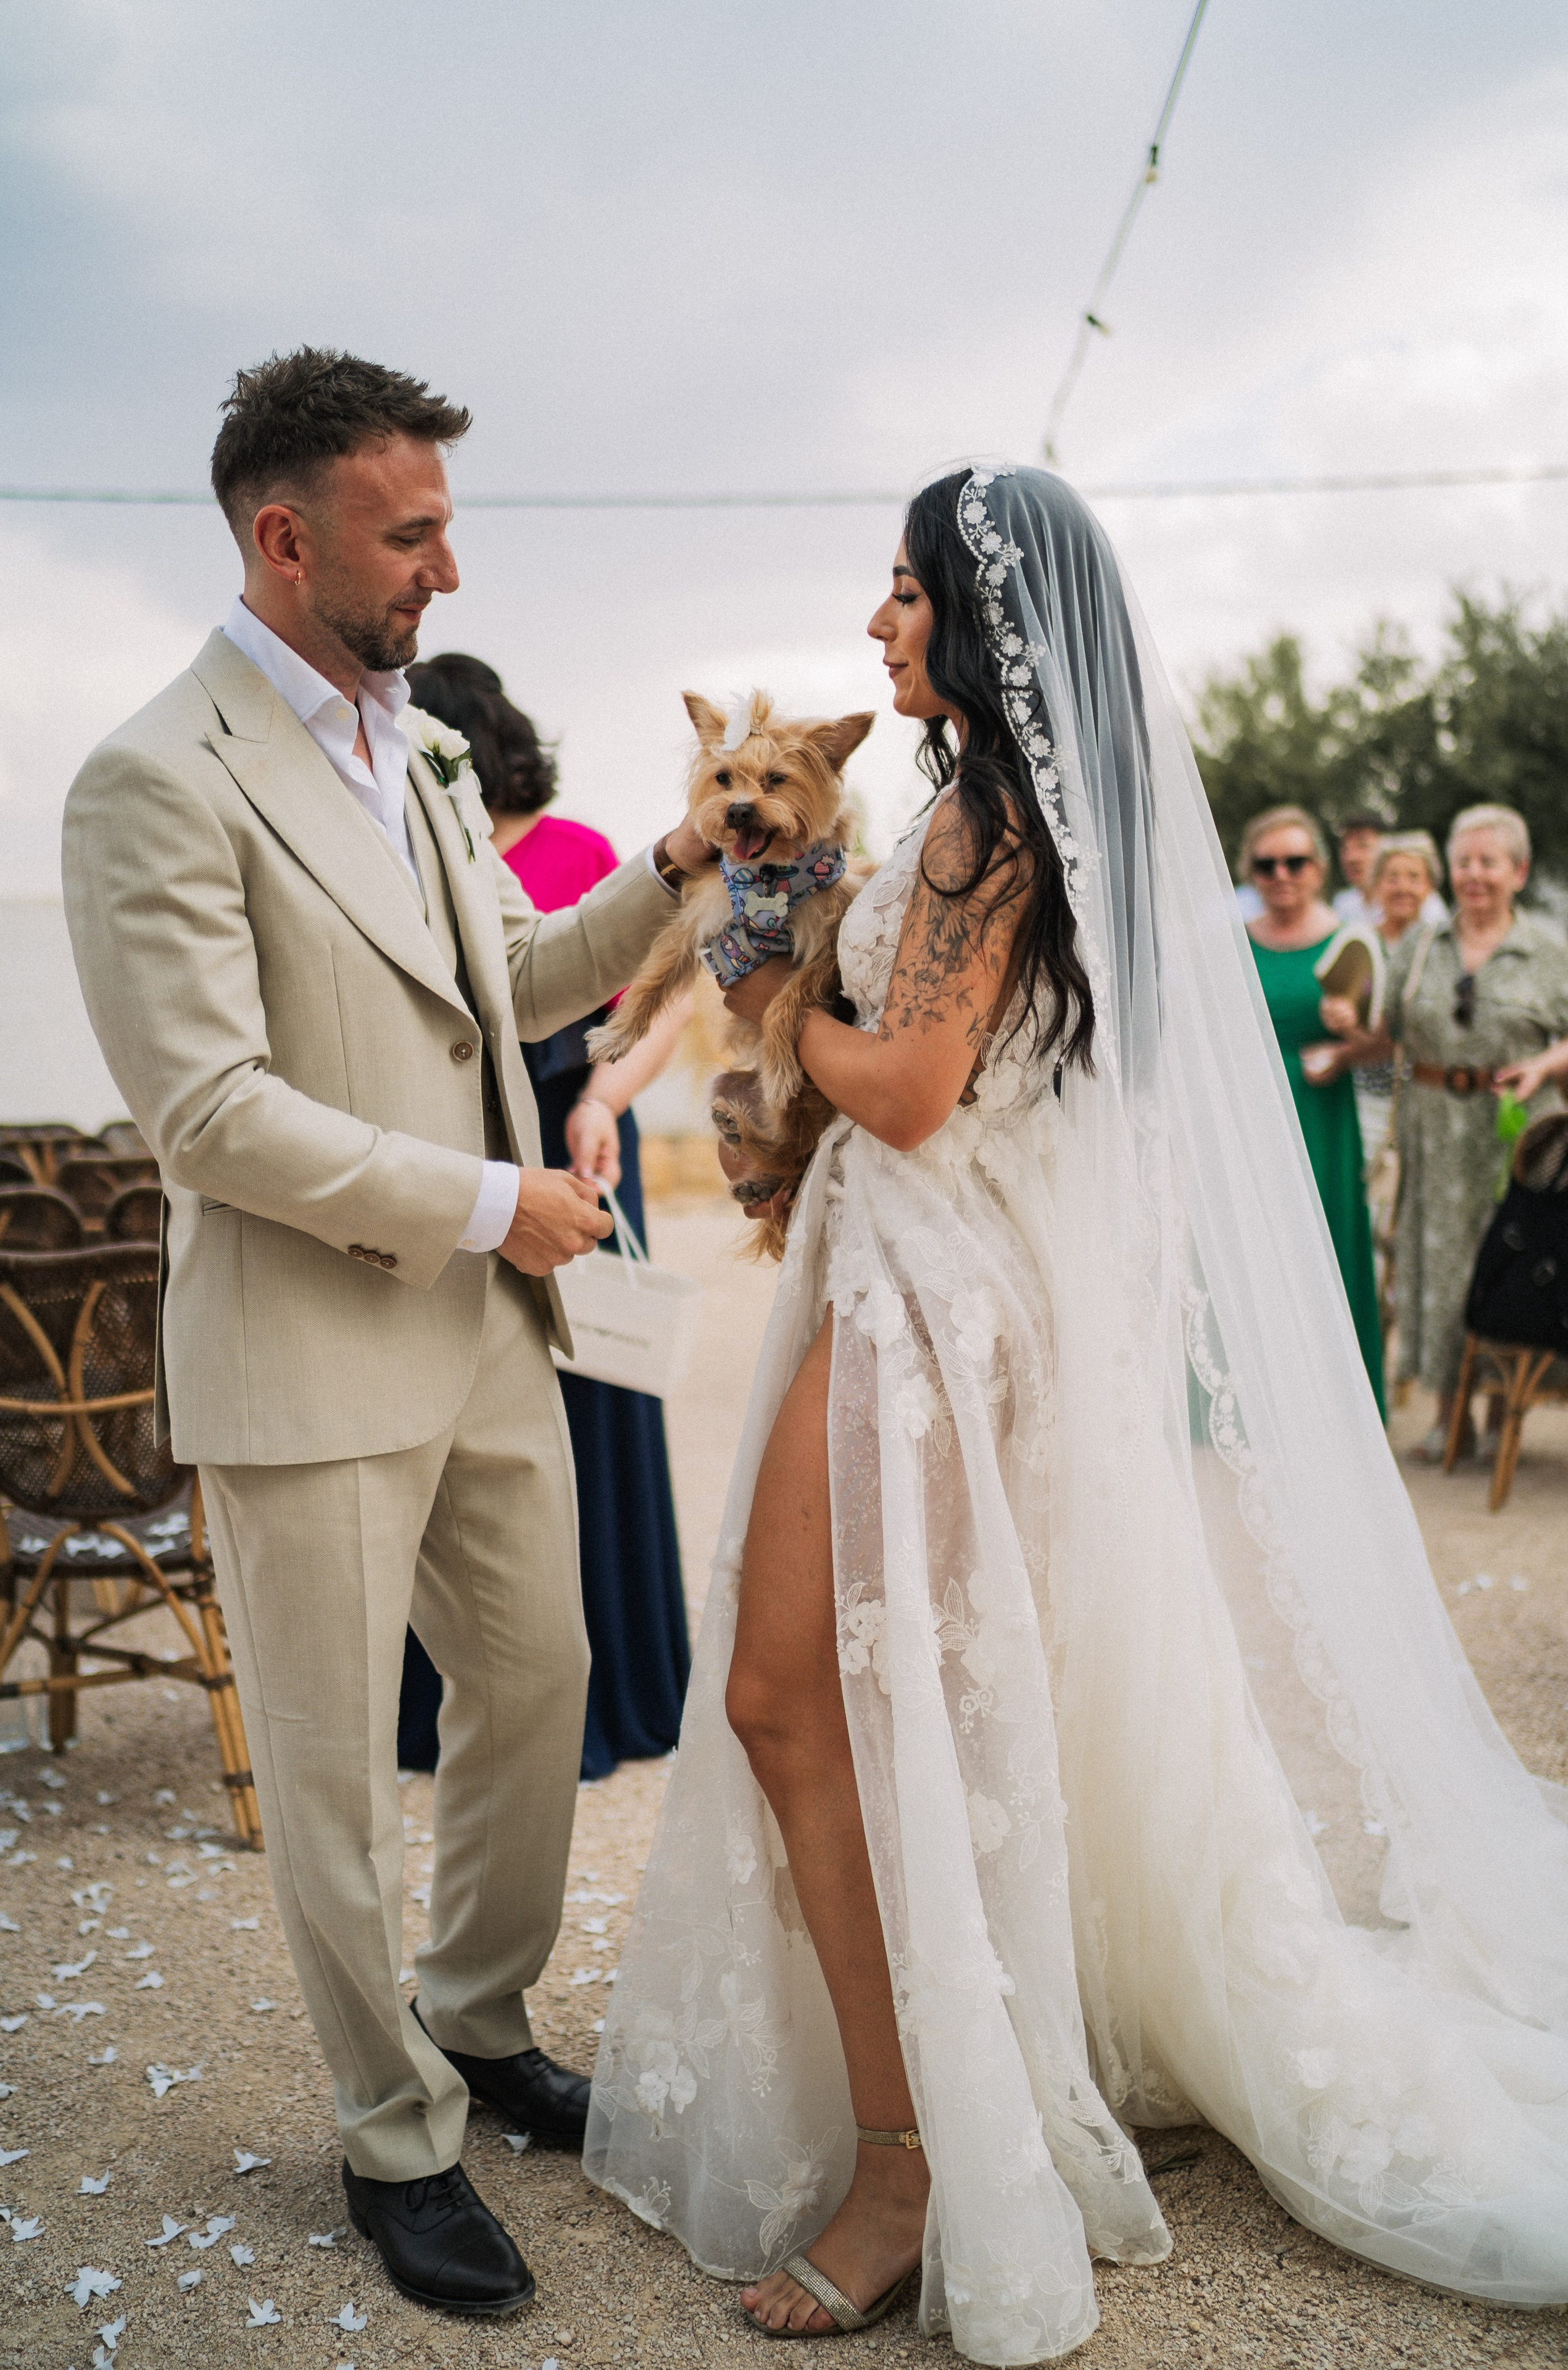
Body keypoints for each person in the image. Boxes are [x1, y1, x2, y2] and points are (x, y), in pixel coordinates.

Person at [584, 466, 1568, 2361]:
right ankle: (935, 2094)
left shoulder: (982, 821)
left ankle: (912, 2165)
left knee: (805, 1698)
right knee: (861, 1701)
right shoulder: (999, 806)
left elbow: (913, 1091)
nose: (876, 622)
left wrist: (777, 1002)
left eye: (902, 590)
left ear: (978, 616)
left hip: (926, 1301)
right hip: (915, 1278)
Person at [59, 348, 715, 2319]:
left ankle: (479, 2017)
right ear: (287, 537)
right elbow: (209, 1113)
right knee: (339, 1779)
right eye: (410, 532)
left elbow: (518, 978)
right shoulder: (153, 779)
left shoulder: (421, 753)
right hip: (309, 1355)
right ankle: (394, 2135)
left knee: (538, 1677)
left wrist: (677, 865)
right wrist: (488, 1202)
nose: (448, 566)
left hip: (482, 1342)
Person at [404, 651, 691, 1782]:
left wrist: (605, 1101)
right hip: (462, 1158)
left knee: (593, 1410)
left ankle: (606, 1690)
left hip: (577, 1140)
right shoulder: (412, 848)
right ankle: (455, 1700)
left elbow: (661, 999)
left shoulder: (573, 852)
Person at [1382, 804, 1568, 1460]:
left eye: (1488, 862)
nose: (1473, 874)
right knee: (1441, 1266)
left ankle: (1499, 1418)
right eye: (1463, 861)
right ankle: (1450, 1418)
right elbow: (1385, 1028)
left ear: (1517, 872)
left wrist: (1545, 1065)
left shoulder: (1545, 949)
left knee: (1506, 1266)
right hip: (1435, 1125)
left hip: (1516, 1132)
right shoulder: (1421, 945)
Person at [1240, 807, 1387, 1413]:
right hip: (1251, 1117)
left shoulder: (1351, 942)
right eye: (1267, 864)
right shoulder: (1235, 942)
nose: (1281, 875)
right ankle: (1259, 1397)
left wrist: (1348, 1043)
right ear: (1250, 871)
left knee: (1326, 1245)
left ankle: (1334, 1402)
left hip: (1322, 1114)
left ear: (1319, 869)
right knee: (1255, 1248)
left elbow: (1387, 1041)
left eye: (1295, 862)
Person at [1350, 831, 1446, 1173]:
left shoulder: (1444, 948)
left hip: (1429, 1097)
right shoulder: (1359, 943)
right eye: (1392, 878)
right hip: (1368, 1097)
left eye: (1414, 877)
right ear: (1376, 886)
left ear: (1430, 887)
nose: (1403, 887)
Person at [1330, 810, 1387, 926]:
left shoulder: (1414, 905)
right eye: (1345, 848)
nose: (1351, 858)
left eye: (1363, 846)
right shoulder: (1342, 905)